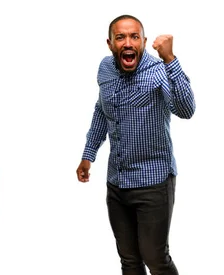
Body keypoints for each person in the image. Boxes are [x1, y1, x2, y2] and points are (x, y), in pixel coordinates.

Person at [75, 14, 195, 275]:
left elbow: (186, 109)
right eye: (121, 37)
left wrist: (171, 60)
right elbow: (101, 111)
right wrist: (88, 154)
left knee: (155, 258)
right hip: (117, 184)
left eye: (134, 37)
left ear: (143, 41)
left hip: (153, 182)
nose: (127, 43)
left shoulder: (159, 71)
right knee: (129, 260)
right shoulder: (105, 69)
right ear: (110, 43)